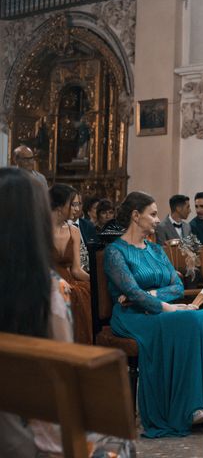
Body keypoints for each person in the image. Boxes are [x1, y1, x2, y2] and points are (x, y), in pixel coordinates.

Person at [0, 168, 134, 457]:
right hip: (36, 437)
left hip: (7, 427)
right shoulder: (46, 291)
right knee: (120, 444)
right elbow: (63, 374)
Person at [103, 191, 203, 438]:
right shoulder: (115, 252)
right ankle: (190, 405)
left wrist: (152, 293)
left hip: (153, 308)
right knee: (186, 319)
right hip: (133, 317)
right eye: (152, 214)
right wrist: (165, 306)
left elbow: (176, 286)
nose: (156, 220)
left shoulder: (155, 249)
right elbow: (131, 292)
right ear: (135, 216)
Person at [49, 184, 93, 344]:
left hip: (70, 280)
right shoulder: (40, 228)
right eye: (72, 204)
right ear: (60, 207)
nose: (77, 209)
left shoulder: (74, 230)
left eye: (78, 204)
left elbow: (76, 270)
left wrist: (96, 280)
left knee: (87, 292)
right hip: (48, 281)